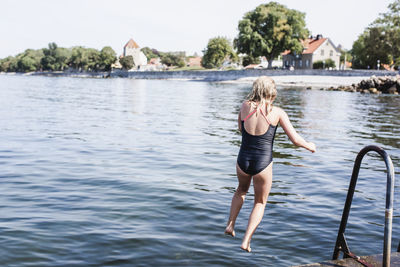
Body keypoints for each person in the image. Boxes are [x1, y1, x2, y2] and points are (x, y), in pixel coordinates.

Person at [224, 76, 316, 252]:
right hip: (262, 163)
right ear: (271, 92)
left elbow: (240, 129)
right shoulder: (277, 112)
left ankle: (230, 224)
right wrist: (310, 146)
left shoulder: (244, 106)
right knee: (260, 202)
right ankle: (246, 240)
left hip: (243, 160)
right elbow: (295, 140)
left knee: (240, 190)